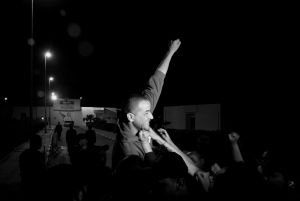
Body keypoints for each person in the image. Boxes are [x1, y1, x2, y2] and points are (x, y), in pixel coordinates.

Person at [111, 39, 181, 171]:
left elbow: (156, 82)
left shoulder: (139, 112)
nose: (152, 116)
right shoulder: (129, 152)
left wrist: (170, 52)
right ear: (131, 117)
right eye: (146, 113)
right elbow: (153, 178)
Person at [19, 134, 46, 201]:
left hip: (25, 186)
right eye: (40, 141)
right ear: (36, 143)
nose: (41, 143)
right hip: (36, 187)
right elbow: (43, 172)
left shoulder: (23, 154)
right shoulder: (39, 156)